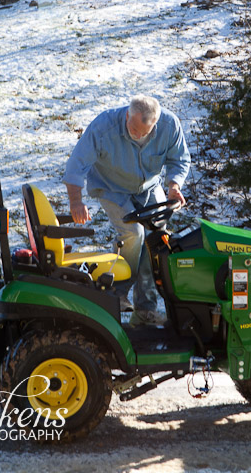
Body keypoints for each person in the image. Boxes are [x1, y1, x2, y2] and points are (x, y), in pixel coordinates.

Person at [62, 95, 190, 327]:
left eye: (143, 132)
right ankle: (117, 292)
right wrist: (76, 202)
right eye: (133, 128)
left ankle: (145, 311)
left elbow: (179, 160)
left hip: (148, 187)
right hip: (112, 188)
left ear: (155, 124)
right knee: (133, 233)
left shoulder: (169, 126)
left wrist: (173, 186)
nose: (137, 135)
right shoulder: (104, 127)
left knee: (155, 238)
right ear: (127, 115)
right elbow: (76, 165)